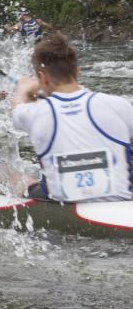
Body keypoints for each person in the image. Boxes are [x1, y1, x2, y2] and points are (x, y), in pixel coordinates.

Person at [11, 34, 133, 202]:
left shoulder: (33, 113)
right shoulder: (119, 105)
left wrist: (24, 87)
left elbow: (17, 106)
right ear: (77, 70)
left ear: (43, 77)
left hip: (63, 205)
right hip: (122, 202)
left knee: (10, 174)